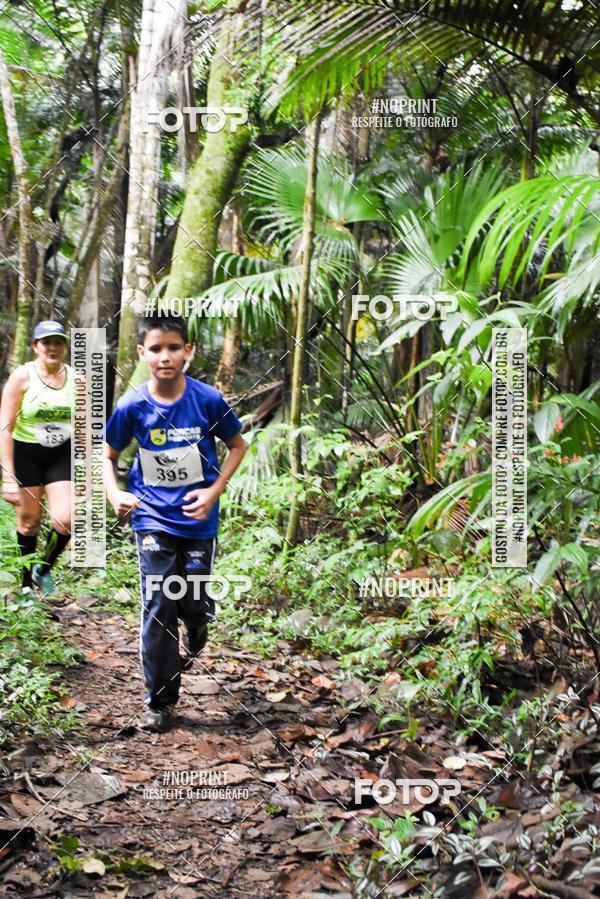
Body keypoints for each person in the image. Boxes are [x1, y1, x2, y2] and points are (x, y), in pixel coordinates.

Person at [103, 315, 246, 732]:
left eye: (174, 347)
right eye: (157, 348)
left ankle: (198, 620)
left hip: (197, 519)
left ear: (188, 352)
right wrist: (115, 494)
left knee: (191, 600)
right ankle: (160, 702)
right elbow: (108, 455)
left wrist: (212, 492)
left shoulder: (207, 400)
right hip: (152, 517)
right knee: (160, 603)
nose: (166, 356)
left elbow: (237, 445)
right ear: (142, 353)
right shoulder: (131, 406)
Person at [0, 321, 74, 597]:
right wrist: (7, 475)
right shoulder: (22, 376)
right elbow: (4, 427)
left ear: (65, 347)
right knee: (29, 522)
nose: (52, 348)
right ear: (35, 346)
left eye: (58, 342)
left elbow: (84, 427)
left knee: (65, 520)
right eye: (46, 342)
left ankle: (43, 568)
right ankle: (24, 585)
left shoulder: (76, 379)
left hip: (60, 454)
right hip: (26, 453)